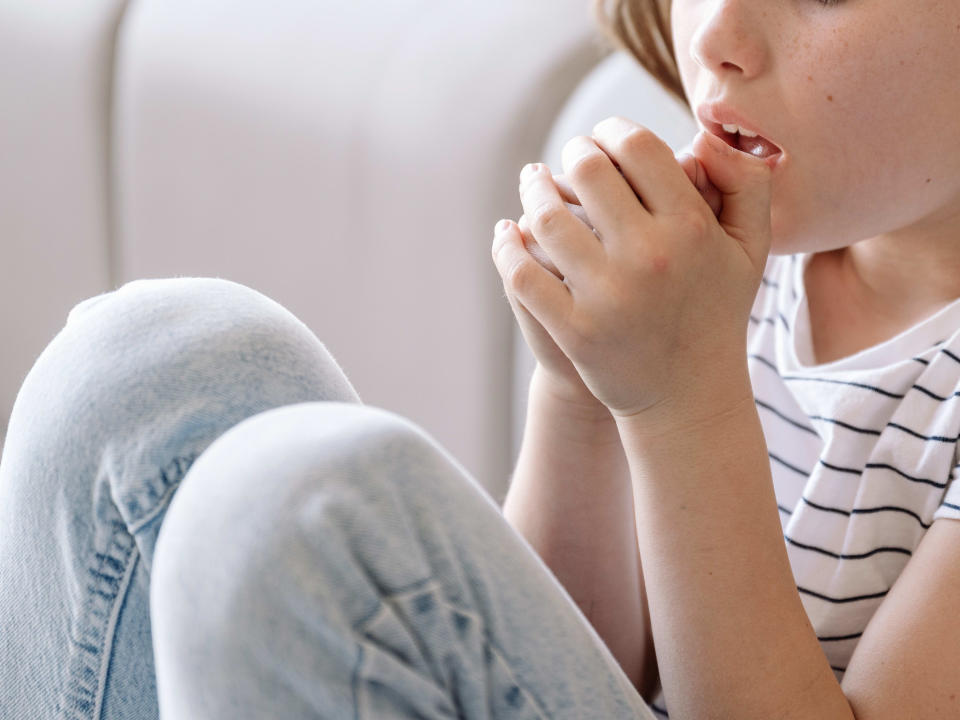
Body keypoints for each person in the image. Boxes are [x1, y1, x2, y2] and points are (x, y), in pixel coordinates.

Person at [1, 0, 958, 718]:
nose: (716, 33)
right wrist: (581, 390)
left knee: (290, 508)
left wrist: (684, 403)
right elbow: (557, 664)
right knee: (149, 363)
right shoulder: (751, 243)